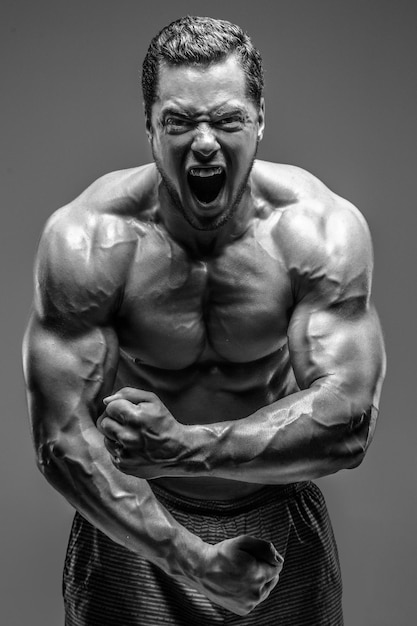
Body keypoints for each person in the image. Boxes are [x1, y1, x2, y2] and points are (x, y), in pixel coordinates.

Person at [23, 15, 386, 626]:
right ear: (149, 126)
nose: (206, 143)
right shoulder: (89, 238)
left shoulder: (319, 230)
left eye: (227, 119)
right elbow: (60, 441)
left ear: (261, 118)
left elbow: (349, 423)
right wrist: (192, 559)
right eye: (180, 121)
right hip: (132, 522)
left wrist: (187, 446)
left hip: (276, 514)